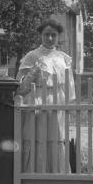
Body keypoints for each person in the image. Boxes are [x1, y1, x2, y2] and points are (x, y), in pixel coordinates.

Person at [16, 19, 75, 173]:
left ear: (58, 37)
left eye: (53, 35)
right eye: (46, 34)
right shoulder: (32, 55)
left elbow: (69, 84)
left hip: (58, 101)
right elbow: (20, 87)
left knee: (56, 137)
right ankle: (33, 172)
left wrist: (69, 103)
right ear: (41, 36)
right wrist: (34, 71)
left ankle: (57, 173)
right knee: (36, 135)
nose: (50, 38)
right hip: (36, 98)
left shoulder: (63, 57)